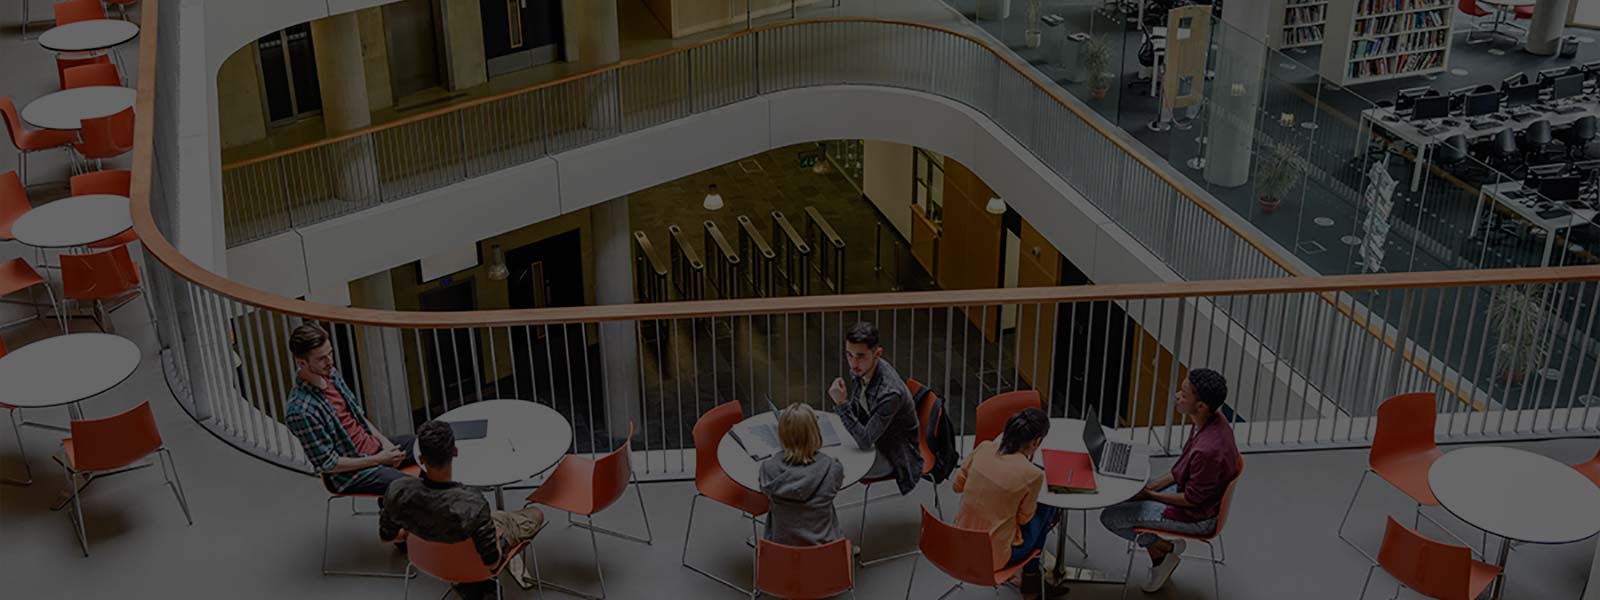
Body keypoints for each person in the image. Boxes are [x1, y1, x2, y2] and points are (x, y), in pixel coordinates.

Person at [1099, 368, 1240, 593]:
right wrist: (1149, 487)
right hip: (1193, 494)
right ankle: (1163, 549)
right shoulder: (1210, 420)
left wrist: (1150, 495)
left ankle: (1162, 550)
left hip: (1198, 516)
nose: (1176, 395)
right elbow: (1180, 471)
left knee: (1110, 518)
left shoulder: (1207, 451)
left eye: (1183, 394)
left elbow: (1193, 500)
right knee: (1123, 495)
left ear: (1201, 405)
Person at [379, 420, 545, 597]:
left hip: (430, 560)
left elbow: (386, 537)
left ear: (420, 459)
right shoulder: (473, 504)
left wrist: (413, 534)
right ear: (455, 452)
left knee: (486, 522)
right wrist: (497, 537)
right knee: (536, 514)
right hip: (474, 555)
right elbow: (492, 562)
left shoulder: (397, 491)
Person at [284, 323, 416, 496]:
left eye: (330, 353)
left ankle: (402, 507)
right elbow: (328, 463)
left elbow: (358, 417)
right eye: (322, 358)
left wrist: (385, 444)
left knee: (430, 446)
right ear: (302, 363)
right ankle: (398, 513)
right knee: (412, 487)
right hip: (353, 474)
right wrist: (379, 459)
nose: (330, 361)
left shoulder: (331, 374)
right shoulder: (300, 411)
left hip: (375, 449)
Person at [952, 408, 1065, 600]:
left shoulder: (984, 447)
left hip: (960, 541)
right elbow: (1024, 518)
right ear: (1036, 442)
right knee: (1047, 509)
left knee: (1038, 515)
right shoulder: (1033, 475)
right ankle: (1031, 584)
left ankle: (1031, 581)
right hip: (993, 558)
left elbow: (957, 486)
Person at [828, 321, 922, 495]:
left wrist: (841, 405)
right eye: (849, 355)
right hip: (876, 437)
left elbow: (864, 442)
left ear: (877, 353)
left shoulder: (890, 393)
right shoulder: (861, 370)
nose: (853, 364)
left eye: (860, 356)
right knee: (827, 452)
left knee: (831, 467)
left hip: (895, 454)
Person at [759, 403, 846, 546]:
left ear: (781, 434)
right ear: (816, 432)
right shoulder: (833, 468)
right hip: (825, 550)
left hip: (780, 550)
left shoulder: (768, 469)